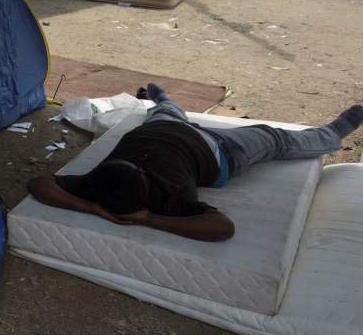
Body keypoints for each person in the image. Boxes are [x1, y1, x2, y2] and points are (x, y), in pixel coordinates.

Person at [27, 84, 363, 242]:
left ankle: (162, 99)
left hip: (164, 128)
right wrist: (148, 220)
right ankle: (333, 132)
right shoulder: (171, 197)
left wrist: (90, 208)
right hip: (221, 150)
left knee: (164, 111)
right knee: (275, 137)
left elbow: (39, 183)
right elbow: (223, 228)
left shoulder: (93, 185)